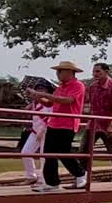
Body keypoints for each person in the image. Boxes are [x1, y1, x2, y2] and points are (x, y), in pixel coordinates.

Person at [30, 62, 89, 192]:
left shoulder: (78, 86)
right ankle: (52, 183)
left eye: (60, 71)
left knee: (63, 152)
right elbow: (50, 103)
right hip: (54, 123)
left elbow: (67, 100)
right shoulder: (60, 87)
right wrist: (38, 97)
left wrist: (44, 95)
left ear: (69, 72)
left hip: (67, 123)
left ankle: (80, 174)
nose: (57, 74)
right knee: (49, 154)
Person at [83, 62, 112, 188]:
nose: (95, 74)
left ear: (107, 71)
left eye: (98, 71)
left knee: (111, 149)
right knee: (84, 150)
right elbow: (92, 105)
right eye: (94, 71)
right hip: (95, 121)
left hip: (109, 120)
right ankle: (81, 178)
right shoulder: (92, 87)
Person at [16, 82, 53, 186]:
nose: (40, 91)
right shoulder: (34, 103)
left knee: (43, 156)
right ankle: (31, 176)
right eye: (38, 89)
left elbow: (50, 116)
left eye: (42, 89)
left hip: (45, 130)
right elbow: (26, 111)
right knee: (26, 152)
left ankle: (43, 178)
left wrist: (43, 129)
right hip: (35, 130)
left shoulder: (49, 102)